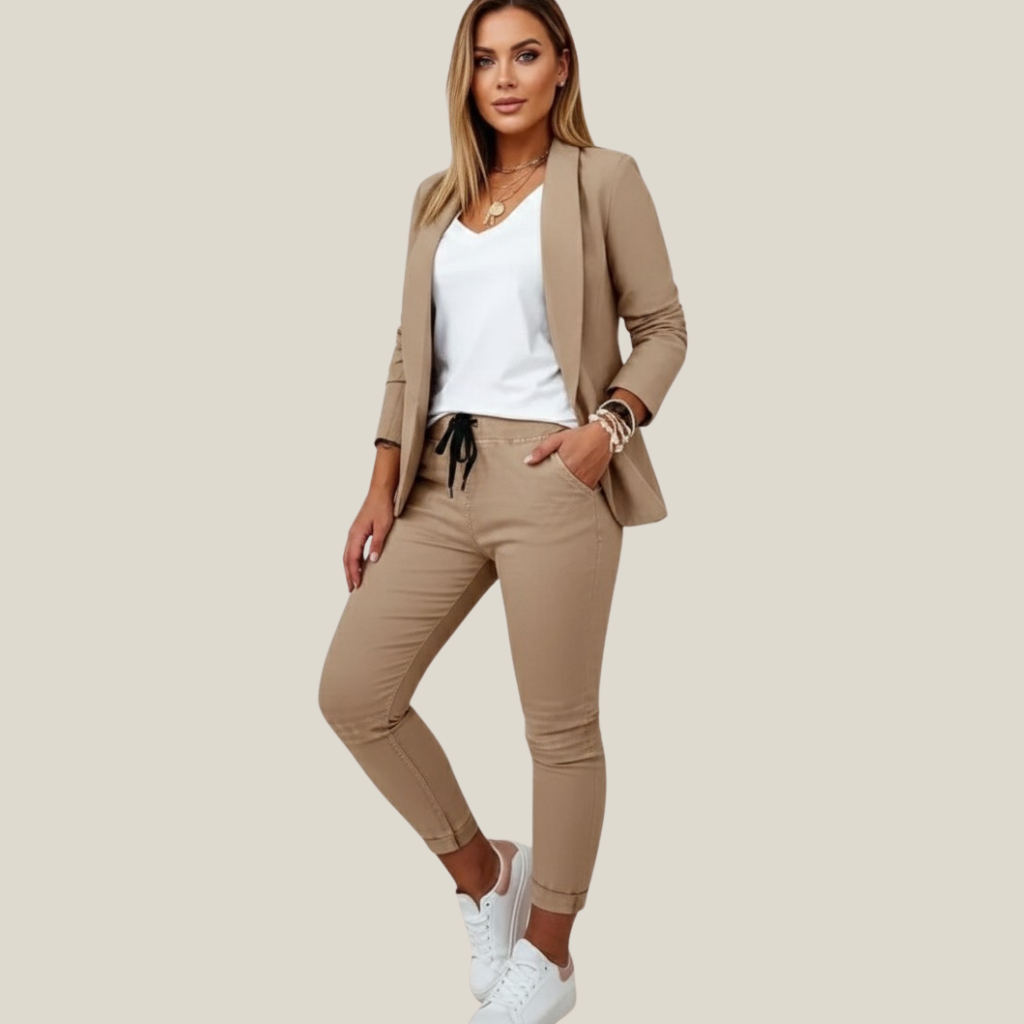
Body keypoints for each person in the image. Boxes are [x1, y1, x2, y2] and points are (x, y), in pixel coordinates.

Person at [318, 2, 687, 1021]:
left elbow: (663, 327)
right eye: (485, 60)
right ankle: (486, 873)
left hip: (553, 472)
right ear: (466, 76)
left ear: (562, 65)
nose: (506, 77)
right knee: (354, 692)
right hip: (439, 478)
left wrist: (606, 429)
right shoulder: (438, 197)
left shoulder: (603, 178)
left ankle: (550, 953)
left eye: (526, 55)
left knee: (558, 726)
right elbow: (411, 348)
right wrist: (381, 479)